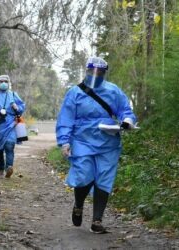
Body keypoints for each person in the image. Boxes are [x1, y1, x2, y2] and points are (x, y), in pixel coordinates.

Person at [56, 57, 137, 233]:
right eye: (93, 71)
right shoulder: (75, 93)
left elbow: (125, 110)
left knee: (104, 179)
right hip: (82, 139)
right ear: (87, 70)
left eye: (100, 72)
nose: (96, 75)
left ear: (104, 73)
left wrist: (128, 121)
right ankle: (78, 204)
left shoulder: (113, 90)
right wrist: (64, 142)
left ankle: (97, 220)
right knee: (84, 175)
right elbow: (66, 118)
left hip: (108, 140)